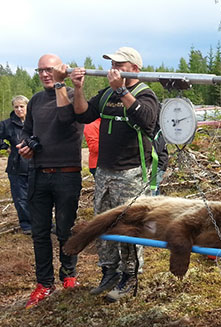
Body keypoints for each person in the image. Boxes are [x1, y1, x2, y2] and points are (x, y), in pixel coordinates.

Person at [65, 47, 160, 302]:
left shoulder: (145, 94)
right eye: (112, 63)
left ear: (135, 68)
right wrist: (79, 88)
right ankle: (108, 271)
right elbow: (83, 113)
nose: (114, 68)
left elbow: (147, 121)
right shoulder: (106, 94)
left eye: (121, 63)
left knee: (128, 226)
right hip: (105, 172)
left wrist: (122, 90)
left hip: (131, 173)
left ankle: (130, 275)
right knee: (102, 223)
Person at [17, 54, 84, 309]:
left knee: (66, 230)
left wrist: (60, 85)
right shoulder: (34, 100)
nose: (45, 74)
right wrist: (25, 146)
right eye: (40, 70)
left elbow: (68, 119)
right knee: (40, 233)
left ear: (61, 70)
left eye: (49, 70)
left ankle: (69, 276)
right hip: (38, 173)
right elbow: (27, 131)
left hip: (67, 173)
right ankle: (44, 283)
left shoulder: (70, 94)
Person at [0, 95, 32, 235]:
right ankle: (27, 225)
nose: (19, 109)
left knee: (39, 197)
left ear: (27, 107)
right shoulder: (7, 124)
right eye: (16, 107)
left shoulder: (34, 122)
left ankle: (43, 222)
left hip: (36, 166)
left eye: (22, 106)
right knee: (21, 198)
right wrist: (4, 146)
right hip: (17, 167)